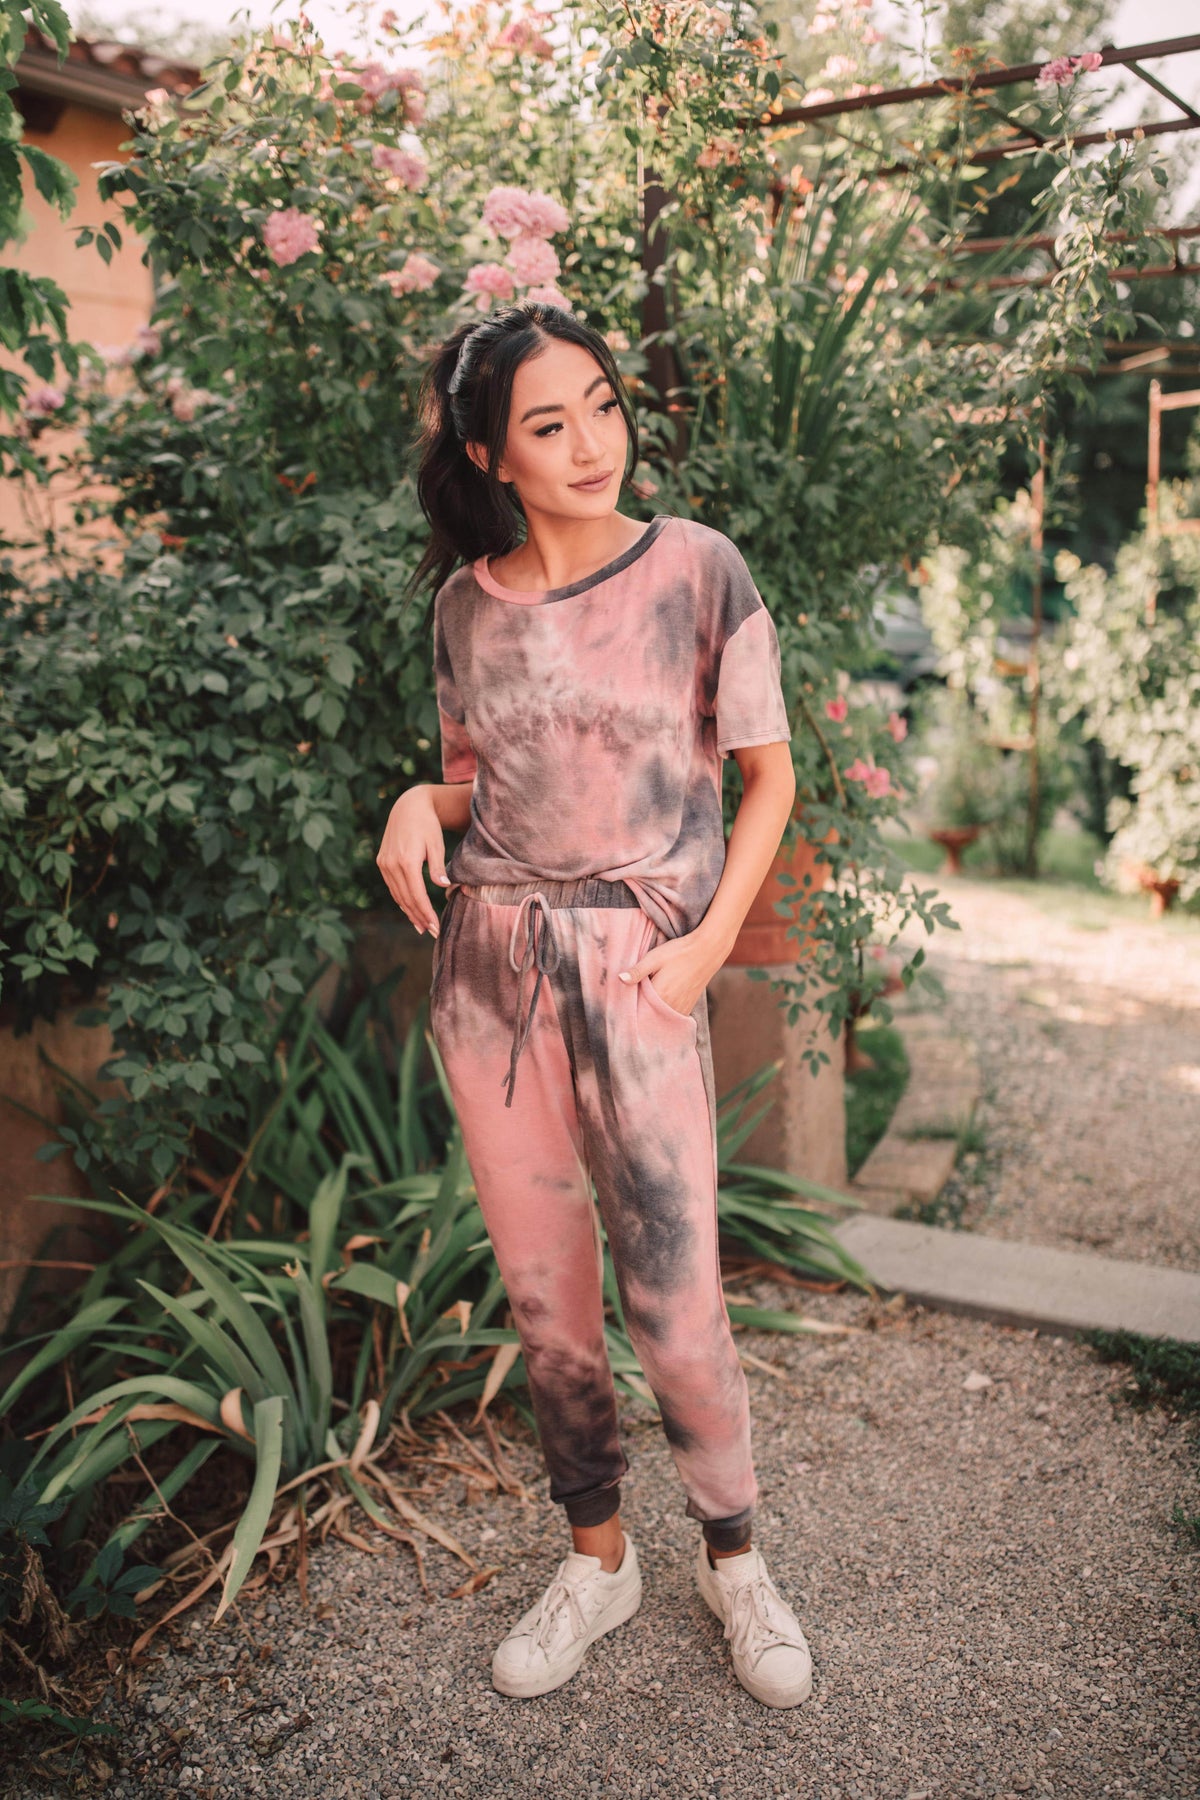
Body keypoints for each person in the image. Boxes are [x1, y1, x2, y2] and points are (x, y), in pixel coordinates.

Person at [376, 299, 812, 1709]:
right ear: (491, 454)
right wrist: (417, 799)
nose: (590, 444)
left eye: (604, 406)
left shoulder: (697, 569)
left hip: (642, 970)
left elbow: (769, 777)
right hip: (491, 980)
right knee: (549, 1301)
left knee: (677, 1300)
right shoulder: (464, 608)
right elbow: (480, 784)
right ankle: (599, 1560)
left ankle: (735, 1563)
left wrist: (705, 950)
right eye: (549, 424)